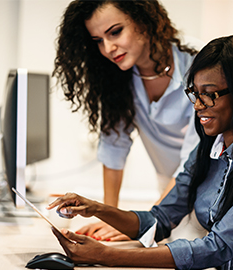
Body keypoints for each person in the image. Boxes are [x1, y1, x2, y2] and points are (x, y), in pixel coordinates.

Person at [48, 36, 233, 269]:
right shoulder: (209, 147)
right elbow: (160, 218)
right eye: (195, 94)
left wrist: (105, 256)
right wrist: (96, 208)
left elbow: (219, 247)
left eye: (209, 95)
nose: (199, 106)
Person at [52, 0, 202, 241]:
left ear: (143, 20)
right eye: (98, 41)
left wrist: (142, 223)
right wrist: (109, 217)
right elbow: (114, 148)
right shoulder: (119, 76)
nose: (108, 48)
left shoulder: (199, 62)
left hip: (206, 188)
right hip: (167, 188)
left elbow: (192, 161)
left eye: (115, 32)